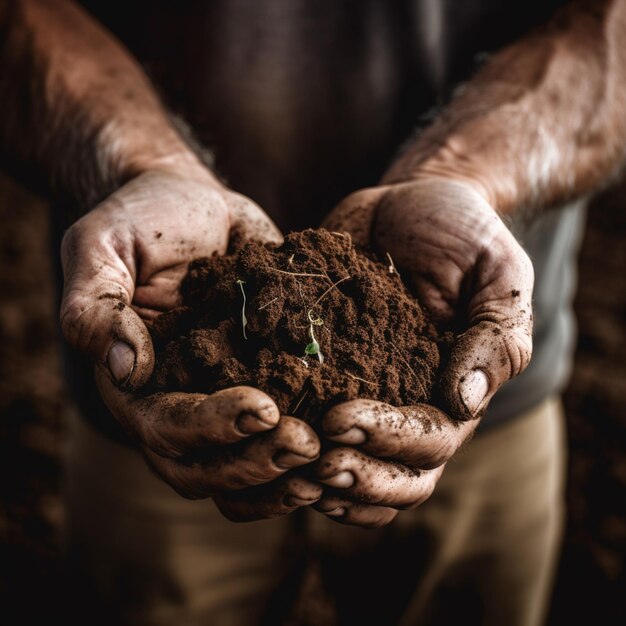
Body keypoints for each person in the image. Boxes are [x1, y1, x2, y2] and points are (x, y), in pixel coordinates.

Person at [0, 0, 623, 624]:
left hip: (458, 352)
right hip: (165, 375)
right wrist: (140, 163)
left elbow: (611, 34)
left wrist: (465, 173)